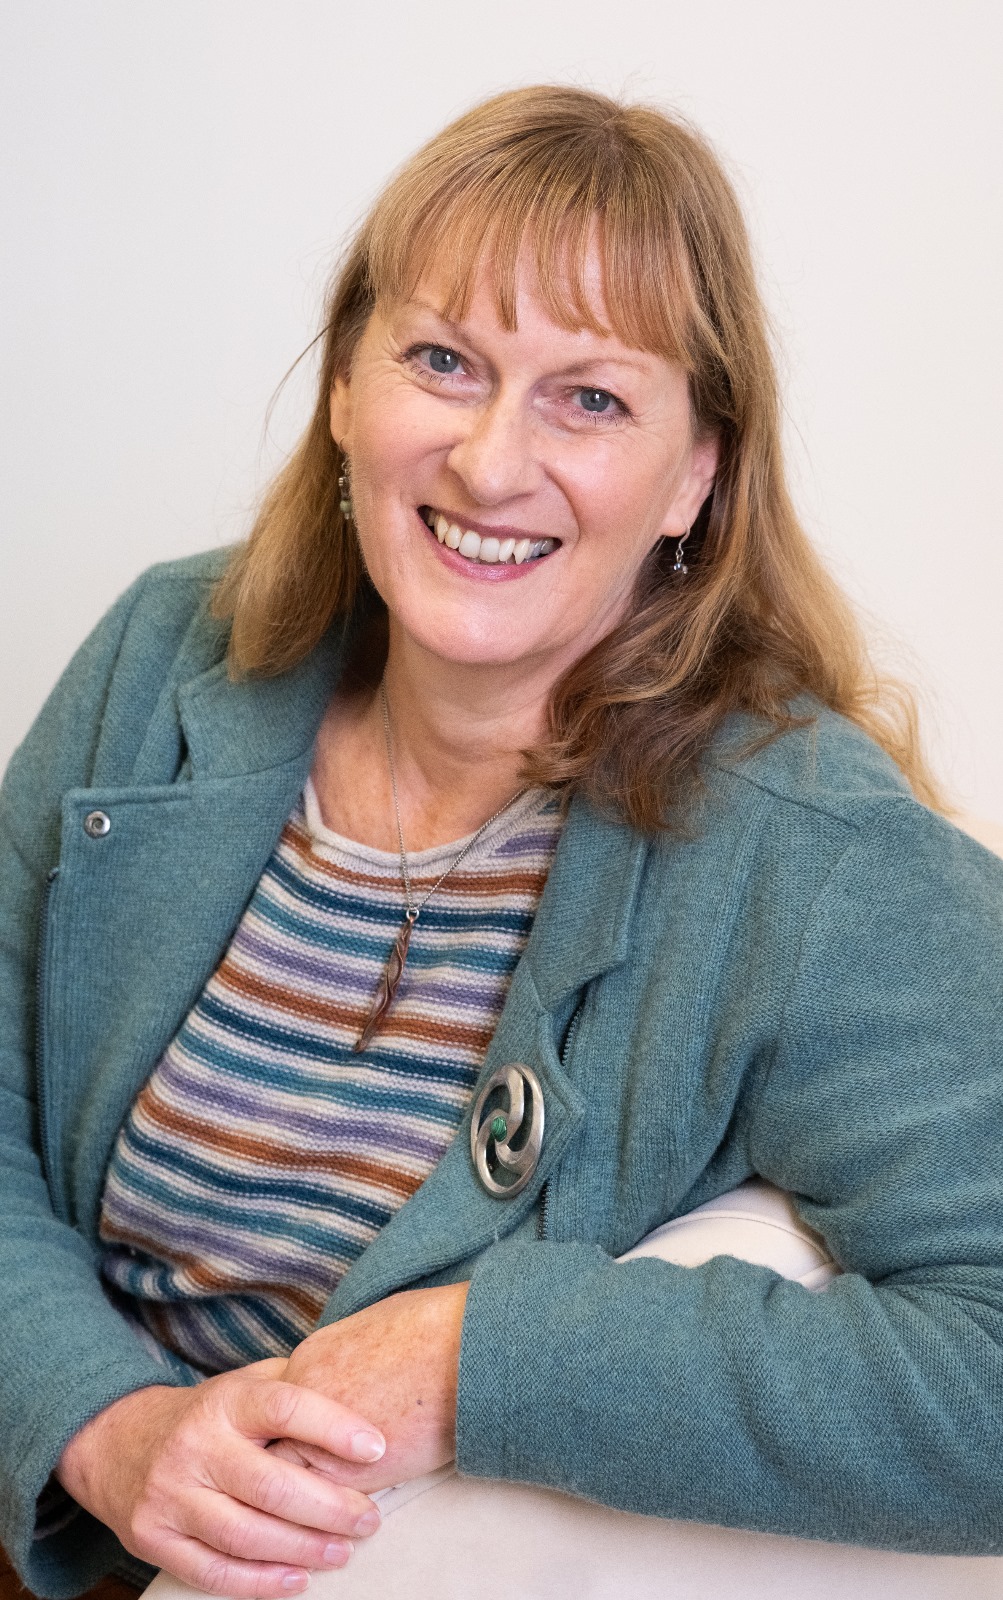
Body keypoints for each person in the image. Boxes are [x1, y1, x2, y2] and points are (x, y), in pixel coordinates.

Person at [2, 83, 1002, 1600]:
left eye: (590, 398)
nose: (486, 460)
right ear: (346, 388)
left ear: (696, 474)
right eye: (442, 361)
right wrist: (97, 1418)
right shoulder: (167, 650)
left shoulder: (819, 858)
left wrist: (480, 1364)